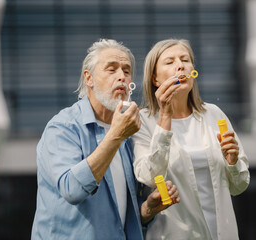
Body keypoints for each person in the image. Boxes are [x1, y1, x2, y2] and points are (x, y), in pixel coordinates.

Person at [31, 39, 180, 240]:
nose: (121, 77)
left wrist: (147, 211)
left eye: (126, 72)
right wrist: (116, 136)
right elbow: (72, 189)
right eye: (112, 70)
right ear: (89, 78)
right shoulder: (63, 127)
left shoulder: (127, 135)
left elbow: (119, 220)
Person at [132, 39, 250, 240]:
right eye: (170, 62)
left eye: (185, 60)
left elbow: (239, 186)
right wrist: (165, 117)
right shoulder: (142, 121)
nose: (181, 65)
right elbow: (149, 177)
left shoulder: (214, 114)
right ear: (155, 79)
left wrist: (232, 162)